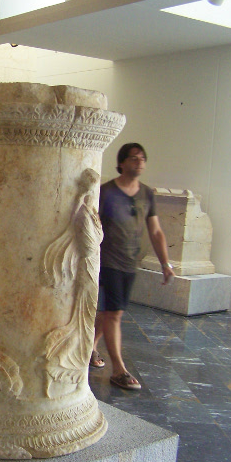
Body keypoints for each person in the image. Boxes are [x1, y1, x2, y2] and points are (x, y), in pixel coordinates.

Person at [91, 143, 174, 390]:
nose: (139, 162)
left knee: (109, 312)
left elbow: (156, 231)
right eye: (133, 158)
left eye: (142, 158)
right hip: (108, 262)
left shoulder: (146, 194)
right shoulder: (106, 192)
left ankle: (90, 348)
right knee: (114, 314)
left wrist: (165, 263)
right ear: (122, 163)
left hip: (130, 263)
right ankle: (119, 370)